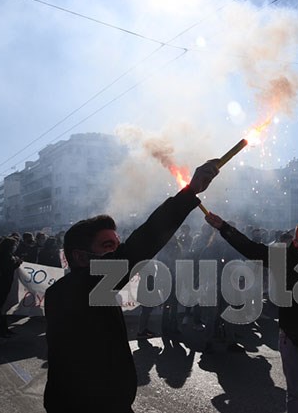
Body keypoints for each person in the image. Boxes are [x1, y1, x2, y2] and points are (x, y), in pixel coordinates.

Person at [43, 159, 218, 413]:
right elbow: (142, 243)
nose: (117, 253)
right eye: (108, 247)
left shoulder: (93, 288)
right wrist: (189, 193)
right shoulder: (72, 290)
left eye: (117, 245)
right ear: (80, 257)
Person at [204, 213, 298, 413]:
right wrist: (224, 227)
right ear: (296, 243)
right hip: (292, 336)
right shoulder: (282, 259)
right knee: (295, 393)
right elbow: (250, 248)